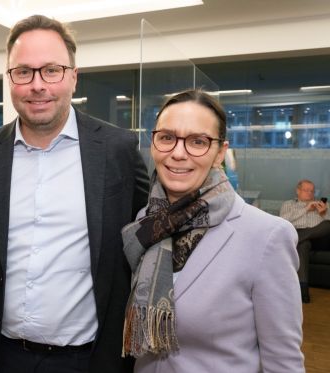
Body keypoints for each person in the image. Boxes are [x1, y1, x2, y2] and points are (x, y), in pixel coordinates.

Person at [0, 14, 150, 373]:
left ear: (73, 76)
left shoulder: (117, 150)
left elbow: (144, 244)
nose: (37, 85)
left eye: (51, 70)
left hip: (89, 359)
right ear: (11, 78)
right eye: (24, 72)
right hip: (1, 356)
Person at [122, 89, 304, 372]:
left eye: (198, 141)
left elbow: (283, 362)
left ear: (220, 152)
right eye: (167, 138)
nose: (178, 153)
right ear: (154, 143)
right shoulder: (146, 221)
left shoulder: (266, 236)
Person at [280, 179, 330, 303]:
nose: (309, 193)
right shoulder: (288, 204)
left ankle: (298, 237)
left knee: (328, 224)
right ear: (298, 191)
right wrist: (306, 209)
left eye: (312, 191)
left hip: (319, 239)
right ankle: (303, 293)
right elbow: (282, 221)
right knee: (303, 244)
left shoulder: (324, 205)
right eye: (306, 190)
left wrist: (324, 213)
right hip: (304, 240)